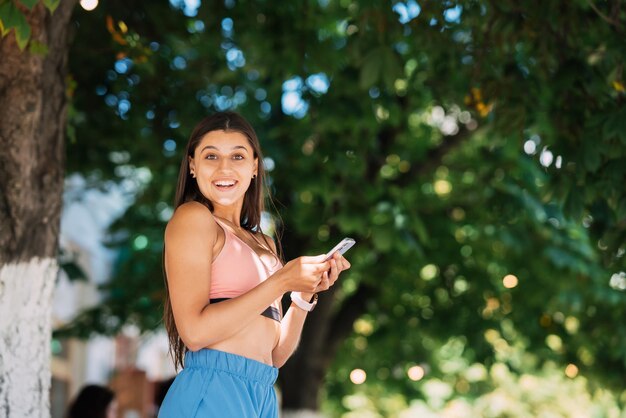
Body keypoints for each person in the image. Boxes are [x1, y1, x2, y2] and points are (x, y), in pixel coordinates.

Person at [158, 111, 350, 417]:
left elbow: (274, 355)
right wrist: (282, 280)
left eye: (237, 156)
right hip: (213, 388)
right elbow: (193, 332)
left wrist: (301, 297)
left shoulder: (265, 245)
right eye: (211, 156)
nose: (224, 168)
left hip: (261, 392)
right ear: (193, 166)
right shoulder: (194, 219)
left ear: (254, 167)